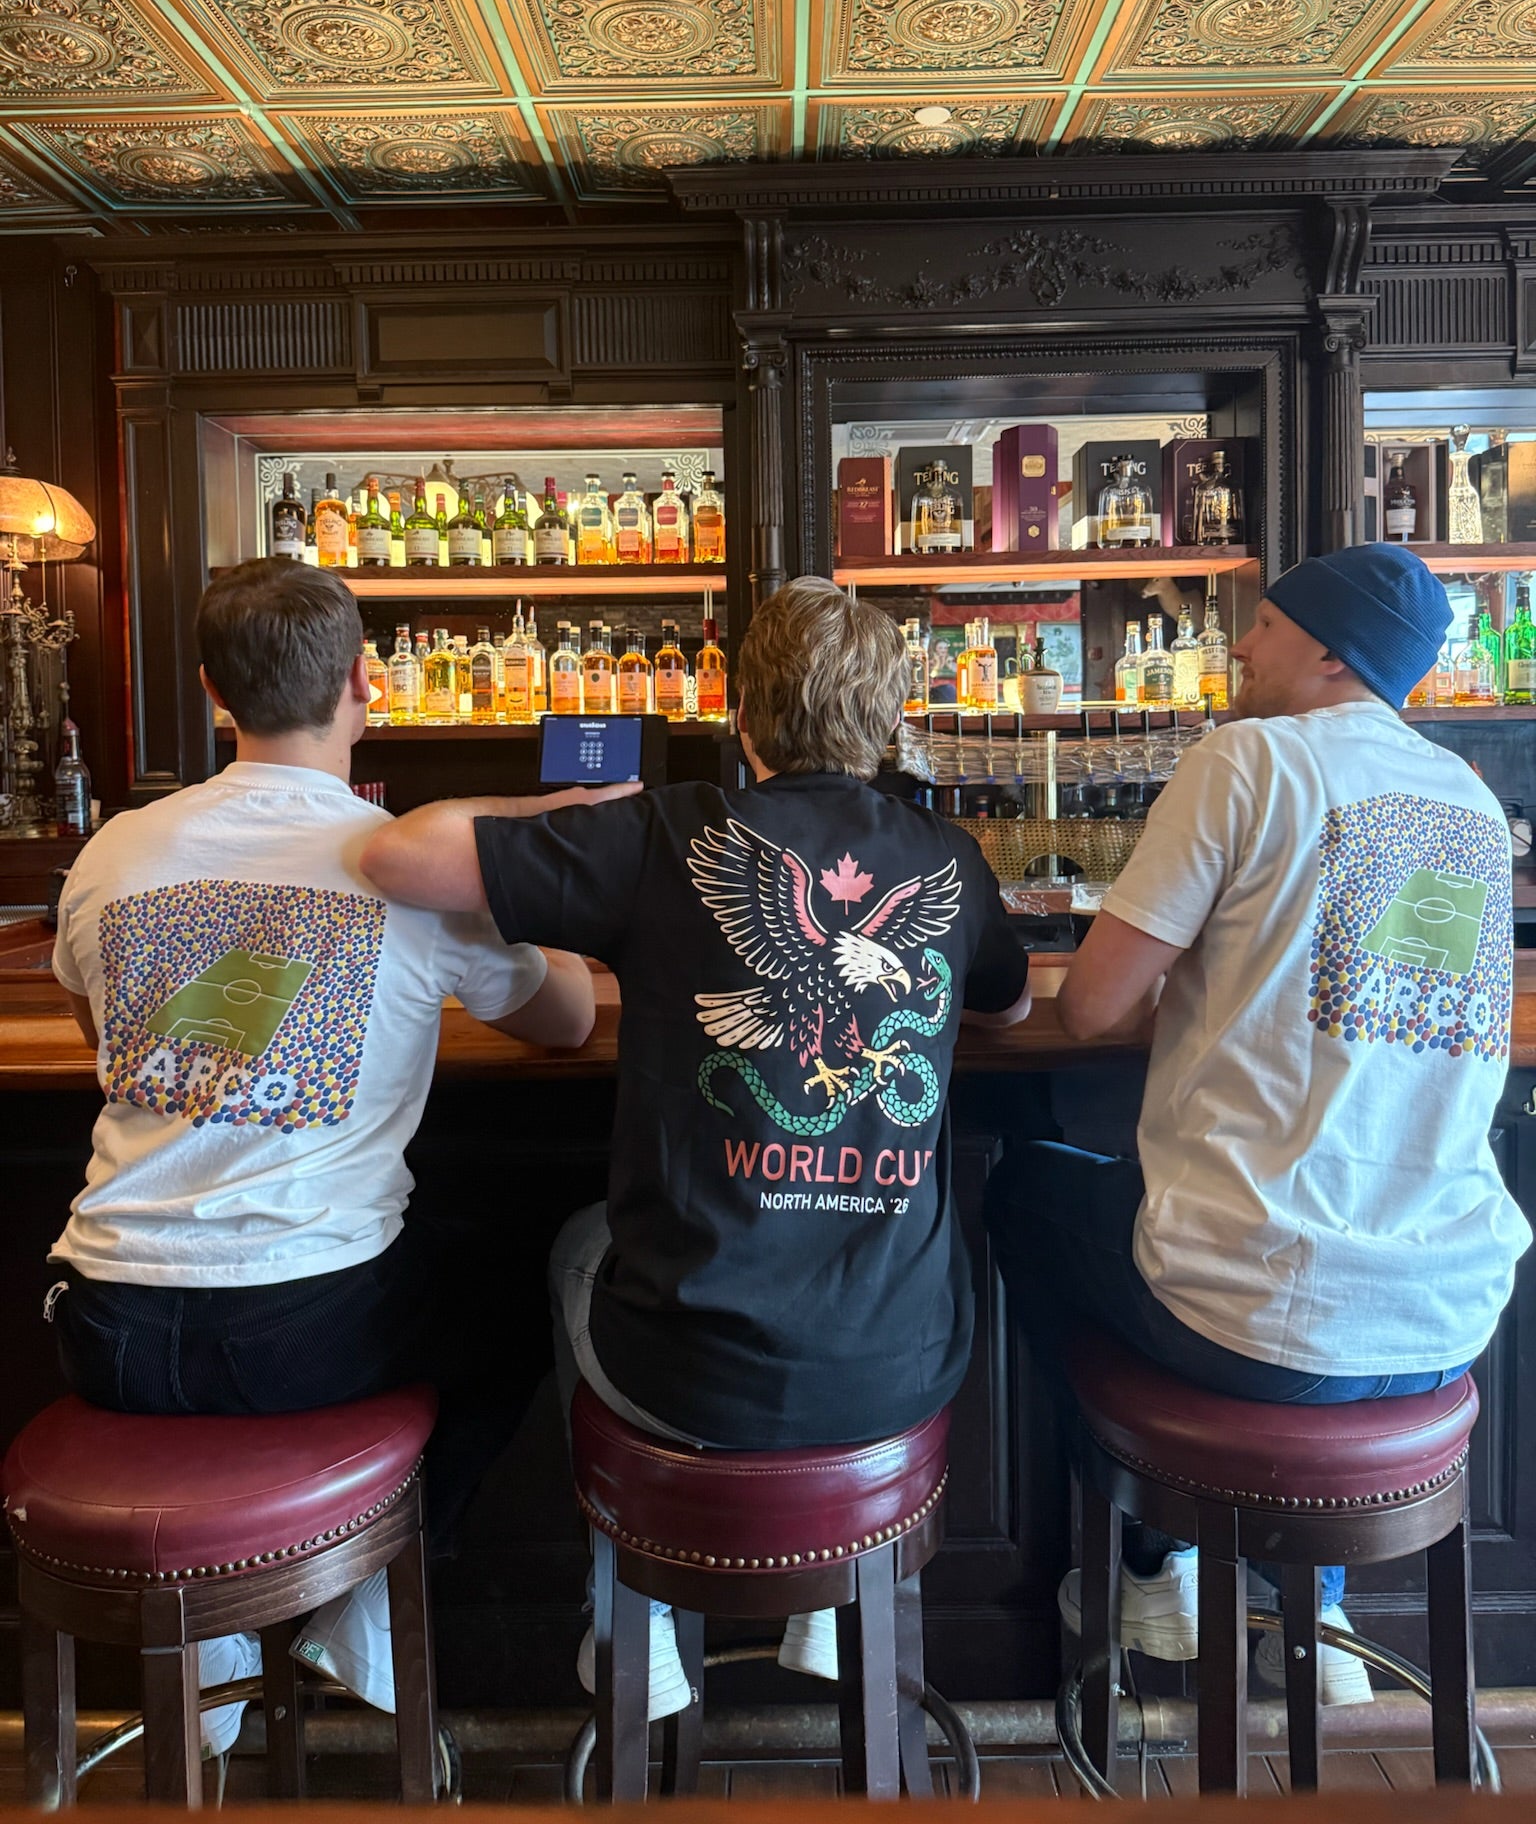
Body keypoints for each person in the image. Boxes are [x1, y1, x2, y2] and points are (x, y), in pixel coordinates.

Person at [360, 575, 1032, 1716]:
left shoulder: (670, 830)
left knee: (572, 1244)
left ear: (742, 713)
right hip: (897, 1374)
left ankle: (636, 1610)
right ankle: (832, 1587)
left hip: (691, 1379)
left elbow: (398, 855)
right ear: (888, 720)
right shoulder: (946, 856)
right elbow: (1008, 1007)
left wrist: (582, 805)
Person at [47, 558, 599, 1753]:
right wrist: (528, 893)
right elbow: (565, 1021)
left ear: (212, 691)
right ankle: (361, 1610)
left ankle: (213, 1623)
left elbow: (105, 1038)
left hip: (108, 1328)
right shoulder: (408, 865)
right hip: (307, 1333)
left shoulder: (114, 852)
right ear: (364, 682)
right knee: (516, 1296)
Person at [986, 544, 1530, 1706]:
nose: (1238, 644)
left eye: (1267, 623)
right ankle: (1312, 1603)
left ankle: (1148, 1561)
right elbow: (1380, 1001)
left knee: (1025, 1190)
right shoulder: (1473, 806)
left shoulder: (1246, 760)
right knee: (1311, 1277)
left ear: (1332, 651)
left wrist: (1203, 982)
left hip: (1256, 1312)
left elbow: (1091, 1007)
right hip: (1445, 1315)